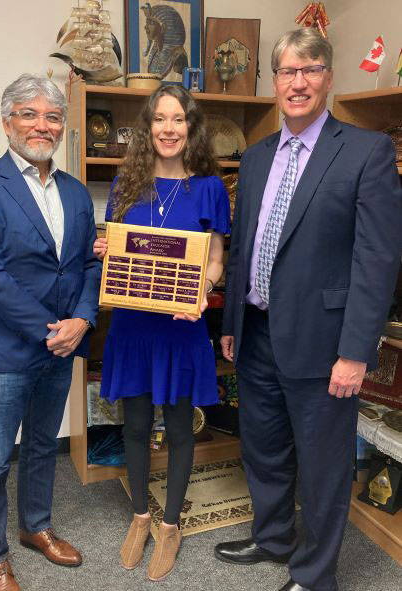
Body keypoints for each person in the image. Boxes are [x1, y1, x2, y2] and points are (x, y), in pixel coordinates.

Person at [214, 28, 402, 591]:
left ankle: (316, 575)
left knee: (321, 467)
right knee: (264, 448)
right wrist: (231, 325)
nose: (298, 83)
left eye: (310, 70)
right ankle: (272, 537)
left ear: (327, 77)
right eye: (287, 72)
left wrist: (355, 351)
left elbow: (378, 259)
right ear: (275, 82)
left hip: (325, 343)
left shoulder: (367, 152)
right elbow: (244, 244)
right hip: (257, 334)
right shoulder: (255, 157)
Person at [0, 74, 101, 591]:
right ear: (7, 121)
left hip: (62, 345)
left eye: (53, 117)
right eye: (29, 114)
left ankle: (35, 527)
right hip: (6, 352)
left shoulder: (75, 192)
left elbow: (87, 264)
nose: (42, 125)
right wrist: (52, 331)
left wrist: (82, 321)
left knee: (42, 446)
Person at [93, 84, 230, 581]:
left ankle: (169, 525)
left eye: (179, 120)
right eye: (160, 119)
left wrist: (204, 288)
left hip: (180, 327)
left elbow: (215, 257)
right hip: (132, 326)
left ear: (190, 129)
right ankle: (140, 518)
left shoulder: (210, 188)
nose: (169, 129)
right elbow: (111, 244)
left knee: (177, 428)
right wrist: (105, 251)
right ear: (148, 126)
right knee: (132, 426)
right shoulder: (125, 182)